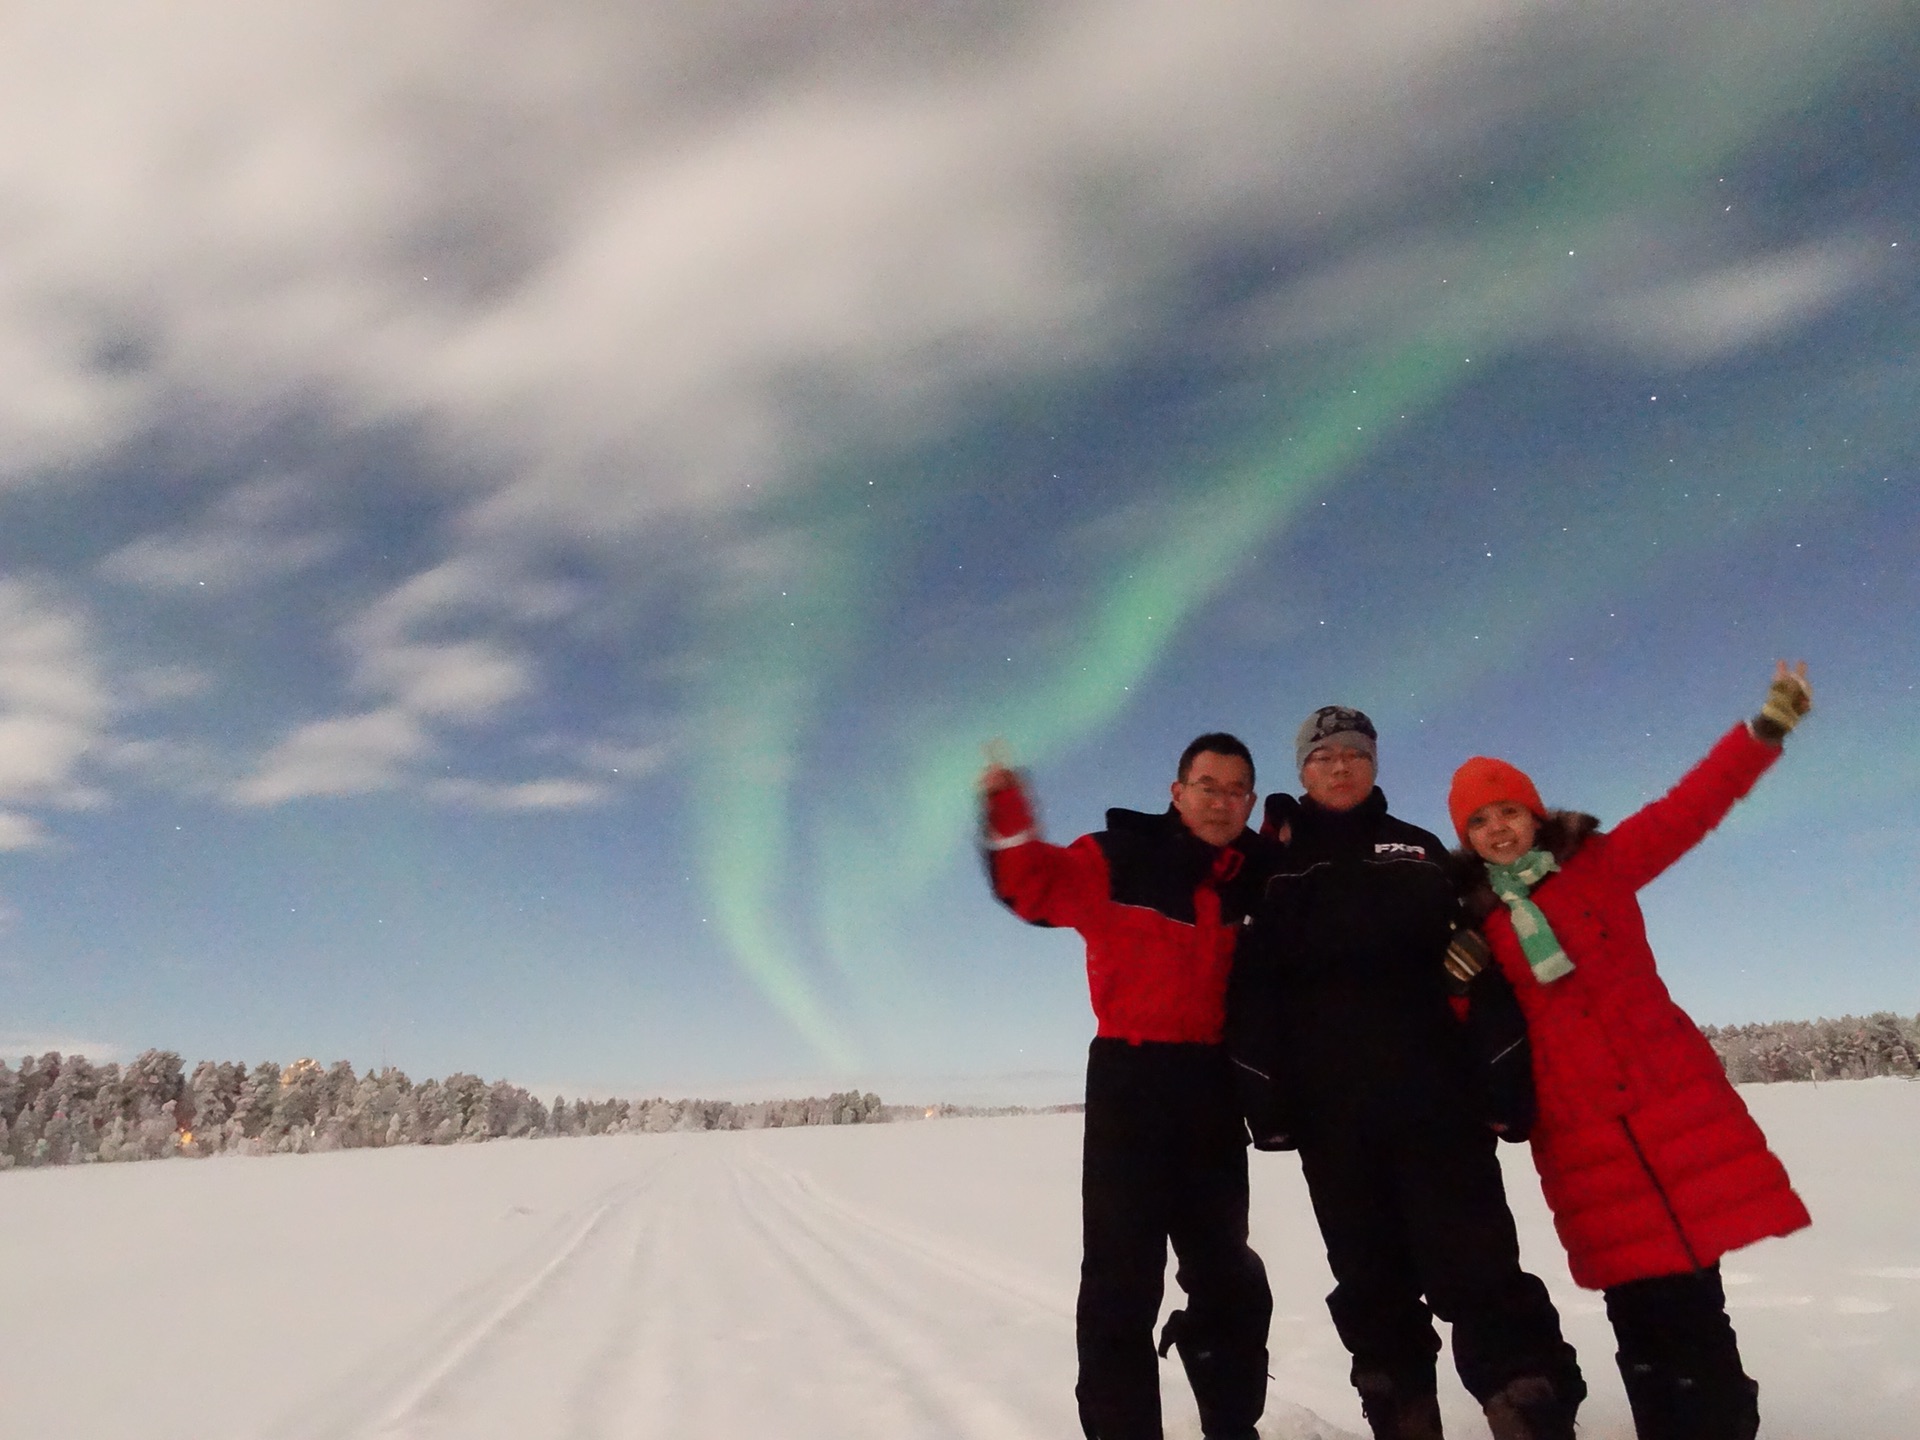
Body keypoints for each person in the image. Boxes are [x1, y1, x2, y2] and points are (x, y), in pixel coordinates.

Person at [1447, 663, 1814, 1440]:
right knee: (1638, 1319)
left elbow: (1690, 808)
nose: (1498, 829)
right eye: (1480, 823)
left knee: (1696, 1308)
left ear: (1534, 813)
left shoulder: (1599, 867)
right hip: (1581, 1137)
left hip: (1670, 1106)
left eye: (1508, 810)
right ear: (1468, 840)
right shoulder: (1477, 928)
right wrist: (1457, 981)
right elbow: (1457, 1027)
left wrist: (1764, 731)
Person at [1227, 706, 1584, 1440]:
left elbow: (1482, 972)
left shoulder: (1422, 852)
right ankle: (1404, 1417)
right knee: (1372, 1284)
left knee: (1481, 1271)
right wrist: (1264, 1097)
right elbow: (1251, 987)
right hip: (1334, 1122)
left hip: (1440, 1109)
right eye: (1323, 756)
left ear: (1375, 764)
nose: (1339, 767)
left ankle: (1530, 1412)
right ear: (1302, 770)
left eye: (1354, 753)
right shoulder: (1273, 869)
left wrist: (1503, 1080)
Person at [981, 734, 1276, 1440]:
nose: (1222, 800)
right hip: (1131, 1080)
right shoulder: (1118, 858)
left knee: (1226, 1275)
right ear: (1177, 793)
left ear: (1251, 803)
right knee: (1121, 1286)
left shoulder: (1261, 875)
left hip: (1212, 1086)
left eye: (1238, 790)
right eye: (1208, 785)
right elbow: (1030, 883)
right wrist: (1004, 801)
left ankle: (1232, 1425)